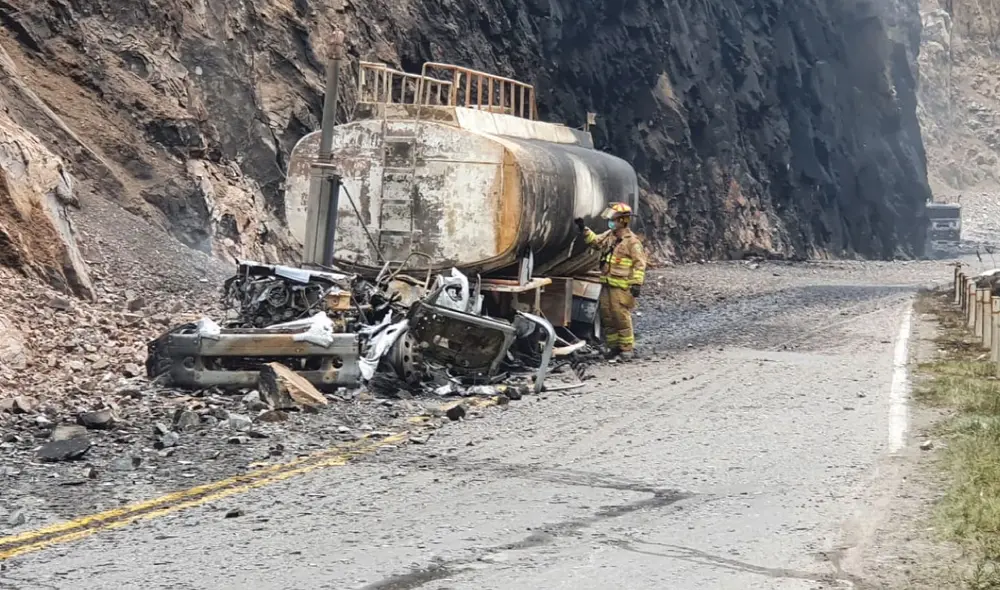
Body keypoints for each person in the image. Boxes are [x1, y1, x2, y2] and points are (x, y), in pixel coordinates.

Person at [574, 202, 647, 360]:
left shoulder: (632, 242)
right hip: (607, 283)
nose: (610, 221)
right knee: (607, 316)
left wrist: (636, 284)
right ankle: (613, 347)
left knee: (621, 316)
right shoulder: (610, 236)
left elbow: (639, 264)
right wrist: (584, 229)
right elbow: (596, 242)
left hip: (622, 287)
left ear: (622, 220)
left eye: (613, 219)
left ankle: (626, 349)